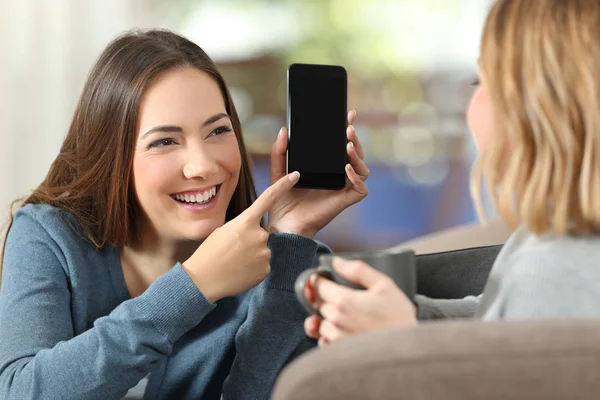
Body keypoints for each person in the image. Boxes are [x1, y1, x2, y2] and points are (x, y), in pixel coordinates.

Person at [0, 29, 370, 399]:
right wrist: (193, 287)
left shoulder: (280, 266)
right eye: (164, 141)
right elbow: (20, 391)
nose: (203, 166)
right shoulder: (50, 236)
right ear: (112, 155)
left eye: (217, 131)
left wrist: (290, 239)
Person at [302, 0, 600, 347]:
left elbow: (503, 376)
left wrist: (402, 343)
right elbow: (497, 319)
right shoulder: (549, 244)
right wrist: (412, 317)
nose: (471, 104)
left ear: (539, 108)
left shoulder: (551, 271)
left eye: (481, 82)